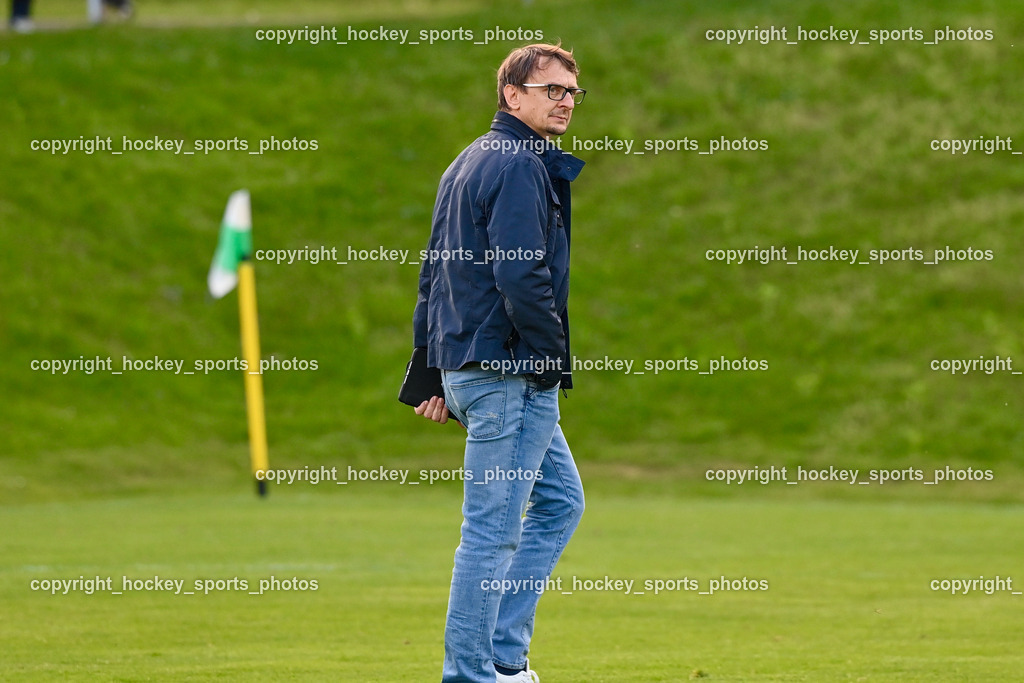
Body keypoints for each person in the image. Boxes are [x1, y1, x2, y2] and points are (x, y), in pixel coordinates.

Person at [411, 43, 587, 683]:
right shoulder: (516, 165)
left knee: (561, 502)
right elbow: (520, 275)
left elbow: (433, 276)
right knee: (491, 532)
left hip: (481, 368)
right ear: (513, 96)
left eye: (572, 91)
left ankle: (503, 658)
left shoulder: (467, 161)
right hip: (509, 372)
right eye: (552, 90)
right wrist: (551, 359)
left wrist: (431, 373)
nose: (565, 100)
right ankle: (472, 674)